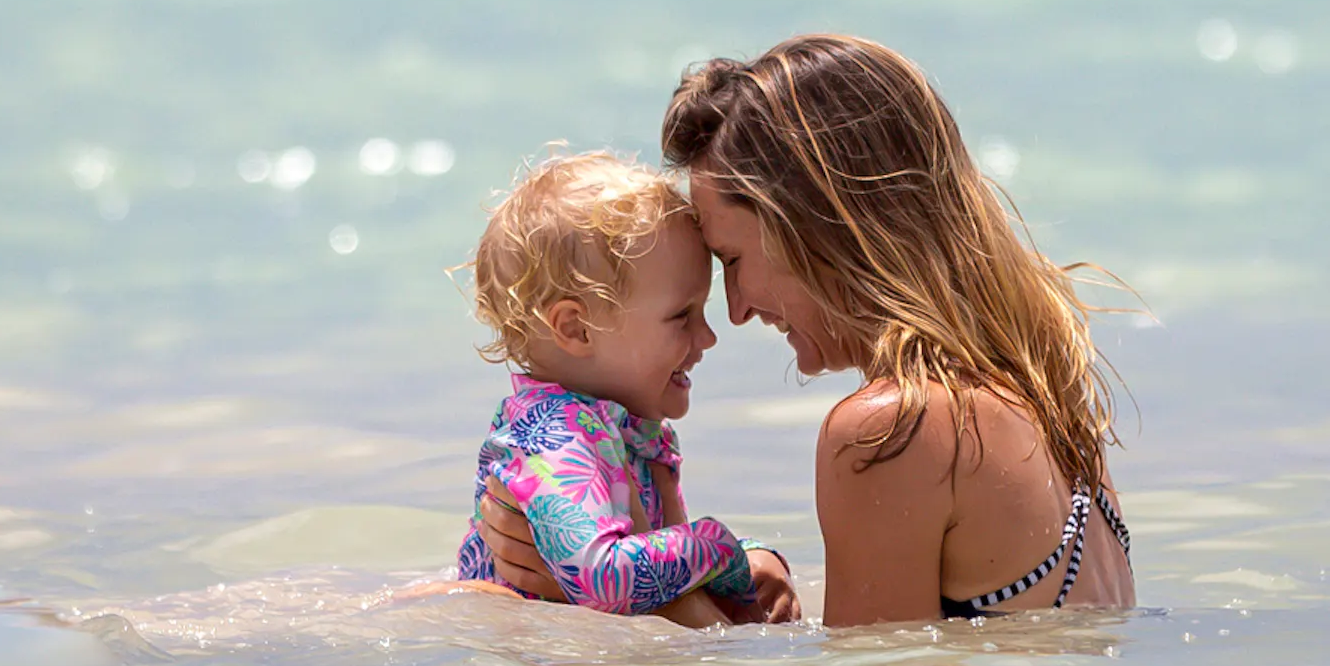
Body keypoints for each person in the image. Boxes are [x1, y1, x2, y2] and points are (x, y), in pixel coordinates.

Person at [478, 36, 1131, 626]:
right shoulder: (1051, 401)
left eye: (732, 261)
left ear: (817, 224)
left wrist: (636, 601)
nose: (734, 312)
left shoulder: (894, 429)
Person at [452, 150, 800, 625]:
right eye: (682, 315)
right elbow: (605, 578)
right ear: (577, 329)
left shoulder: (621, 428)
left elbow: (652, 555)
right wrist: (721, 549)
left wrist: (759, 557)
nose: (709, 337)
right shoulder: (554, 438)